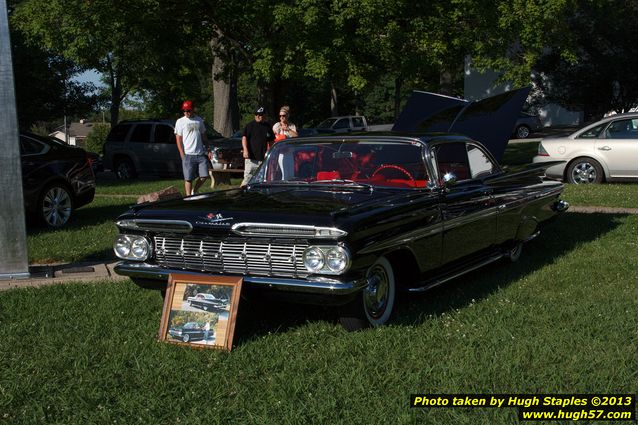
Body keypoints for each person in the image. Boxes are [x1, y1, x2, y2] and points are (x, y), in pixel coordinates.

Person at [175, 100, 210, 196]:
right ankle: (188, 197)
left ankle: (194, 190)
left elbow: (204, 136)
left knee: (204, 176)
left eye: (188, 110)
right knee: (189, 178)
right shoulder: (180, 121)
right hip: (188, 154)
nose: (186, 112)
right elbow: (178, 139)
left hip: (200, 153)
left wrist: (208, 148)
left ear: (193, 109)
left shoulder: (199, 120)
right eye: (184, 111)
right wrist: (182, 154)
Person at [241, 106, 274, 187]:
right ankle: (241, 194)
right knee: (247, 179)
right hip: (251, 158)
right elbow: (244, 138)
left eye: (261, 115)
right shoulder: (249, 126)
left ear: (264, 116)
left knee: (261, 180)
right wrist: (245, 150)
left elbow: (271, 140)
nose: (258, 116)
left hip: (263, 159)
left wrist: (270, 151)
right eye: (257, 114)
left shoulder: (267, 126)